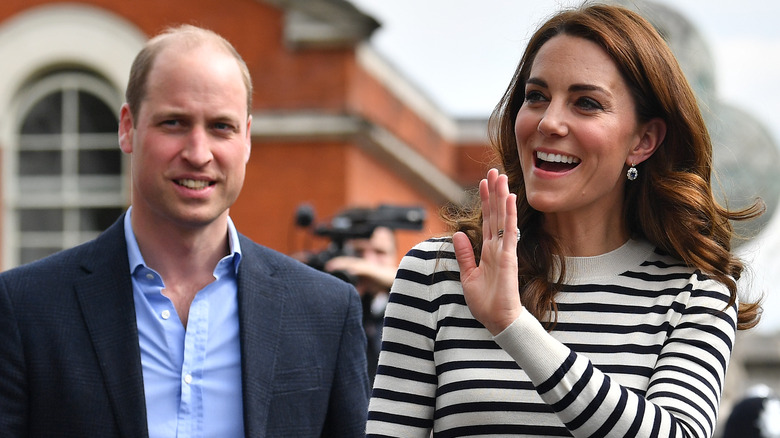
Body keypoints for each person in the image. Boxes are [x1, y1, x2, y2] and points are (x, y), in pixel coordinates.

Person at [366, 3, 763, 438]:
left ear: (644, 140)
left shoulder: (695, 295)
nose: (549, 122)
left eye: (586, 103)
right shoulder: (438, 272)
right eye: (536, 96)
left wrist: (515, 328)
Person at [0, 25, 369, 437]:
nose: (197, 153)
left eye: (221, 127)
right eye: (174, 123)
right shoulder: (24, 308)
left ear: (246, 138)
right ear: (128, 127)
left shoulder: (326, 311)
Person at [325, 226, 398, 381]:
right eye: (359, 252)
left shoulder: (404, 299)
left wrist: (363, 269)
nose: (368, 260)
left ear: (395, 256)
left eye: (379, 252)